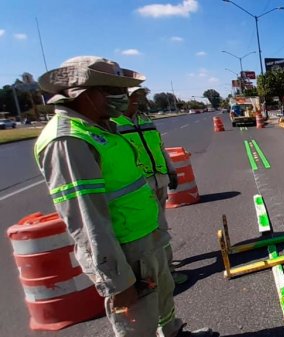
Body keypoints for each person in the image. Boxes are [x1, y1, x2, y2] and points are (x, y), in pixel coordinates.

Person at [34, 56, 217, 337]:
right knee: (137, 321)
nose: (121, 97)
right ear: (83, 95)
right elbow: (85, 218)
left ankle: (172, 331)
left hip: (144, 236)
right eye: (112, 90)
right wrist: (116, 281)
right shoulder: (69, 141)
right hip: (123, 250)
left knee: (163, 296)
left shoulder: (102, 128)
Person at [112, 87, 188, 286]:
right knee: (154, 229)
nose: (136, 101)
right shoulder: (113, 124)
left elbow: (159, 148)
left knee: (160, 225)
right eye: (132, 97)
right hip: (139, 187)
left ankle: (164, 267)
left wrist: (171, 171)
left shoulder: (145, 120)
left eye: (138, 97)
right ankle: (165, 273)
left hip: (158, 180)